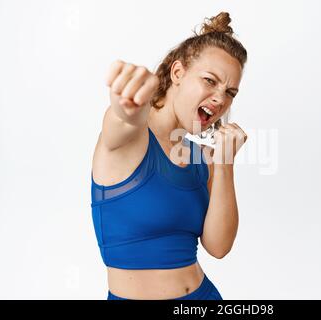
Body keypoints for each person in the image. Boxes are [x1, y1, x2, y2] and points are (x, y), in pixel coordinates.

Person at [90, 12, 248, 300]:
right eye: (210, 81)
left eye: (230, 92)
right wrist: (126, 102)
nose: (221, 98)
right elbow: (123, 119)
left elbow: (219, 246)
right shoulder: (129, 139)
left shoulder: (203, 159)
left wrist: (224, 164)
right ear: (177, 73)